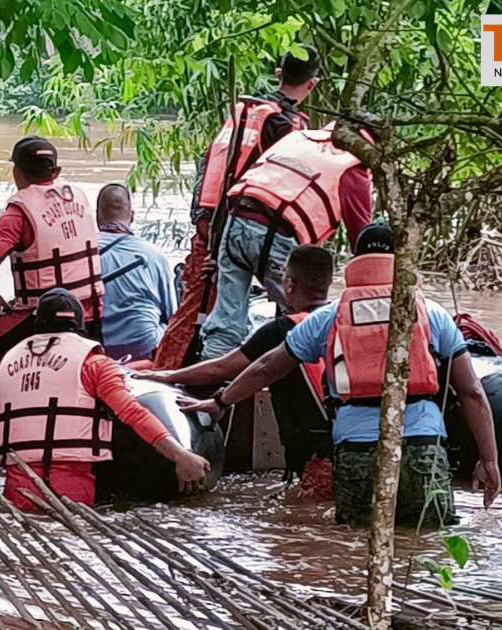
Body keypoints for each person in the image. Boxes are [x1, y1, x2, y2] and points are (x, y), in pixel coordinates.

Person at [179, 223, 502, 528]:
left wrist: (220, 400)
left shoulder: (329, 316)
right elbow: (472, 392)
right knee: (426, 542)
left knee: (357, 543)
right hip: (422, 447)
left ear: (357, 262)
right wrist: (489, 460)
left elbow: (268, 367)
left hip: (356, 450)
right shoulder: (433, 314)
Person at [155, 48, 321, 371]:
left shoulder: (245, 112)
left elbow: (209, 165)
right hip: (242, 224)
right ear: (312, 85)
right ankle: (288, 376)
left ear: (277, 74)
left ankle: (174, 373)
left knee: (197, 310)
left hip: (210, 220)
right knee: (298, 307)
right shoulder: (287, 125)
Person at [0, 288, 210, 512]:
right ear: (80, 324)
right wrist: (180, 455)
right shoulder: (94, 363)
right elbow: (132, 413)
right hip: (71, 491)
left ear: (37, 324)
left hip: (17, 490)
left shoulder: (8, 363)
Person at [136, 245, 334, 484]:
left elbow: (222, 368)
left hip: (313, 449)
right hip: (344, 437)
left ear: (290, 284)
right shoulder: (337, 319)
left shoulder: (282, 330)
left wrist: (170, 377)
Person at [199, 122, 374, 361]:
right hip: (275, 233)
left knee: (226, 321)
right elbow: (364, 243)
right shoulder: (352, 166)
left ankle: (207, 380)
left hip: (235, 221)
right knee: (303, 319)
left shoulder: (299, 137)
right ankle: (300, 386)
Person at [0, 137, 105, 376]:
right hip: (89, 313)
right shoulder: (79, 199)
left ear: (16, 172)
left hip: (38, 316)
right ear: (55, 171)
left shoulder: (17, 214)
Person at [95, 183, 177, 361]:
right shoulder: (154, 256)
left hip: (95, 347)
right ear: (132, 217)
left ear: (96, 217)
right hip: (143, 348)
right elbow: (172, 315)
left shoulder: (80, 252)